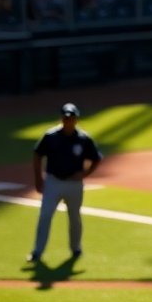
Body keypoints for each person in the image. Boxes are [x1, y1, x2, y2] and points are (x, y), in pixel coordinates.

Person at [28, 103, 103, 263]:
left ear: (77, 119)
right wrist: (38, 178)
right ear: (61, 118)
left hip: (74, 185)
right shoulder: (51, 136)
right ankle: (37, 252)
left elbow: (96, 158)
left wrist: (85, 173)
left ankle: (76, 248)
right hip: (53, 182)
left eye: (71, 118)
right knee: (45, 216)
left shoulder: (84, 139)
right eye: (66, 118)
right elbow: (37, 154)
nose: (68, 121)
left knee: (74, 217)